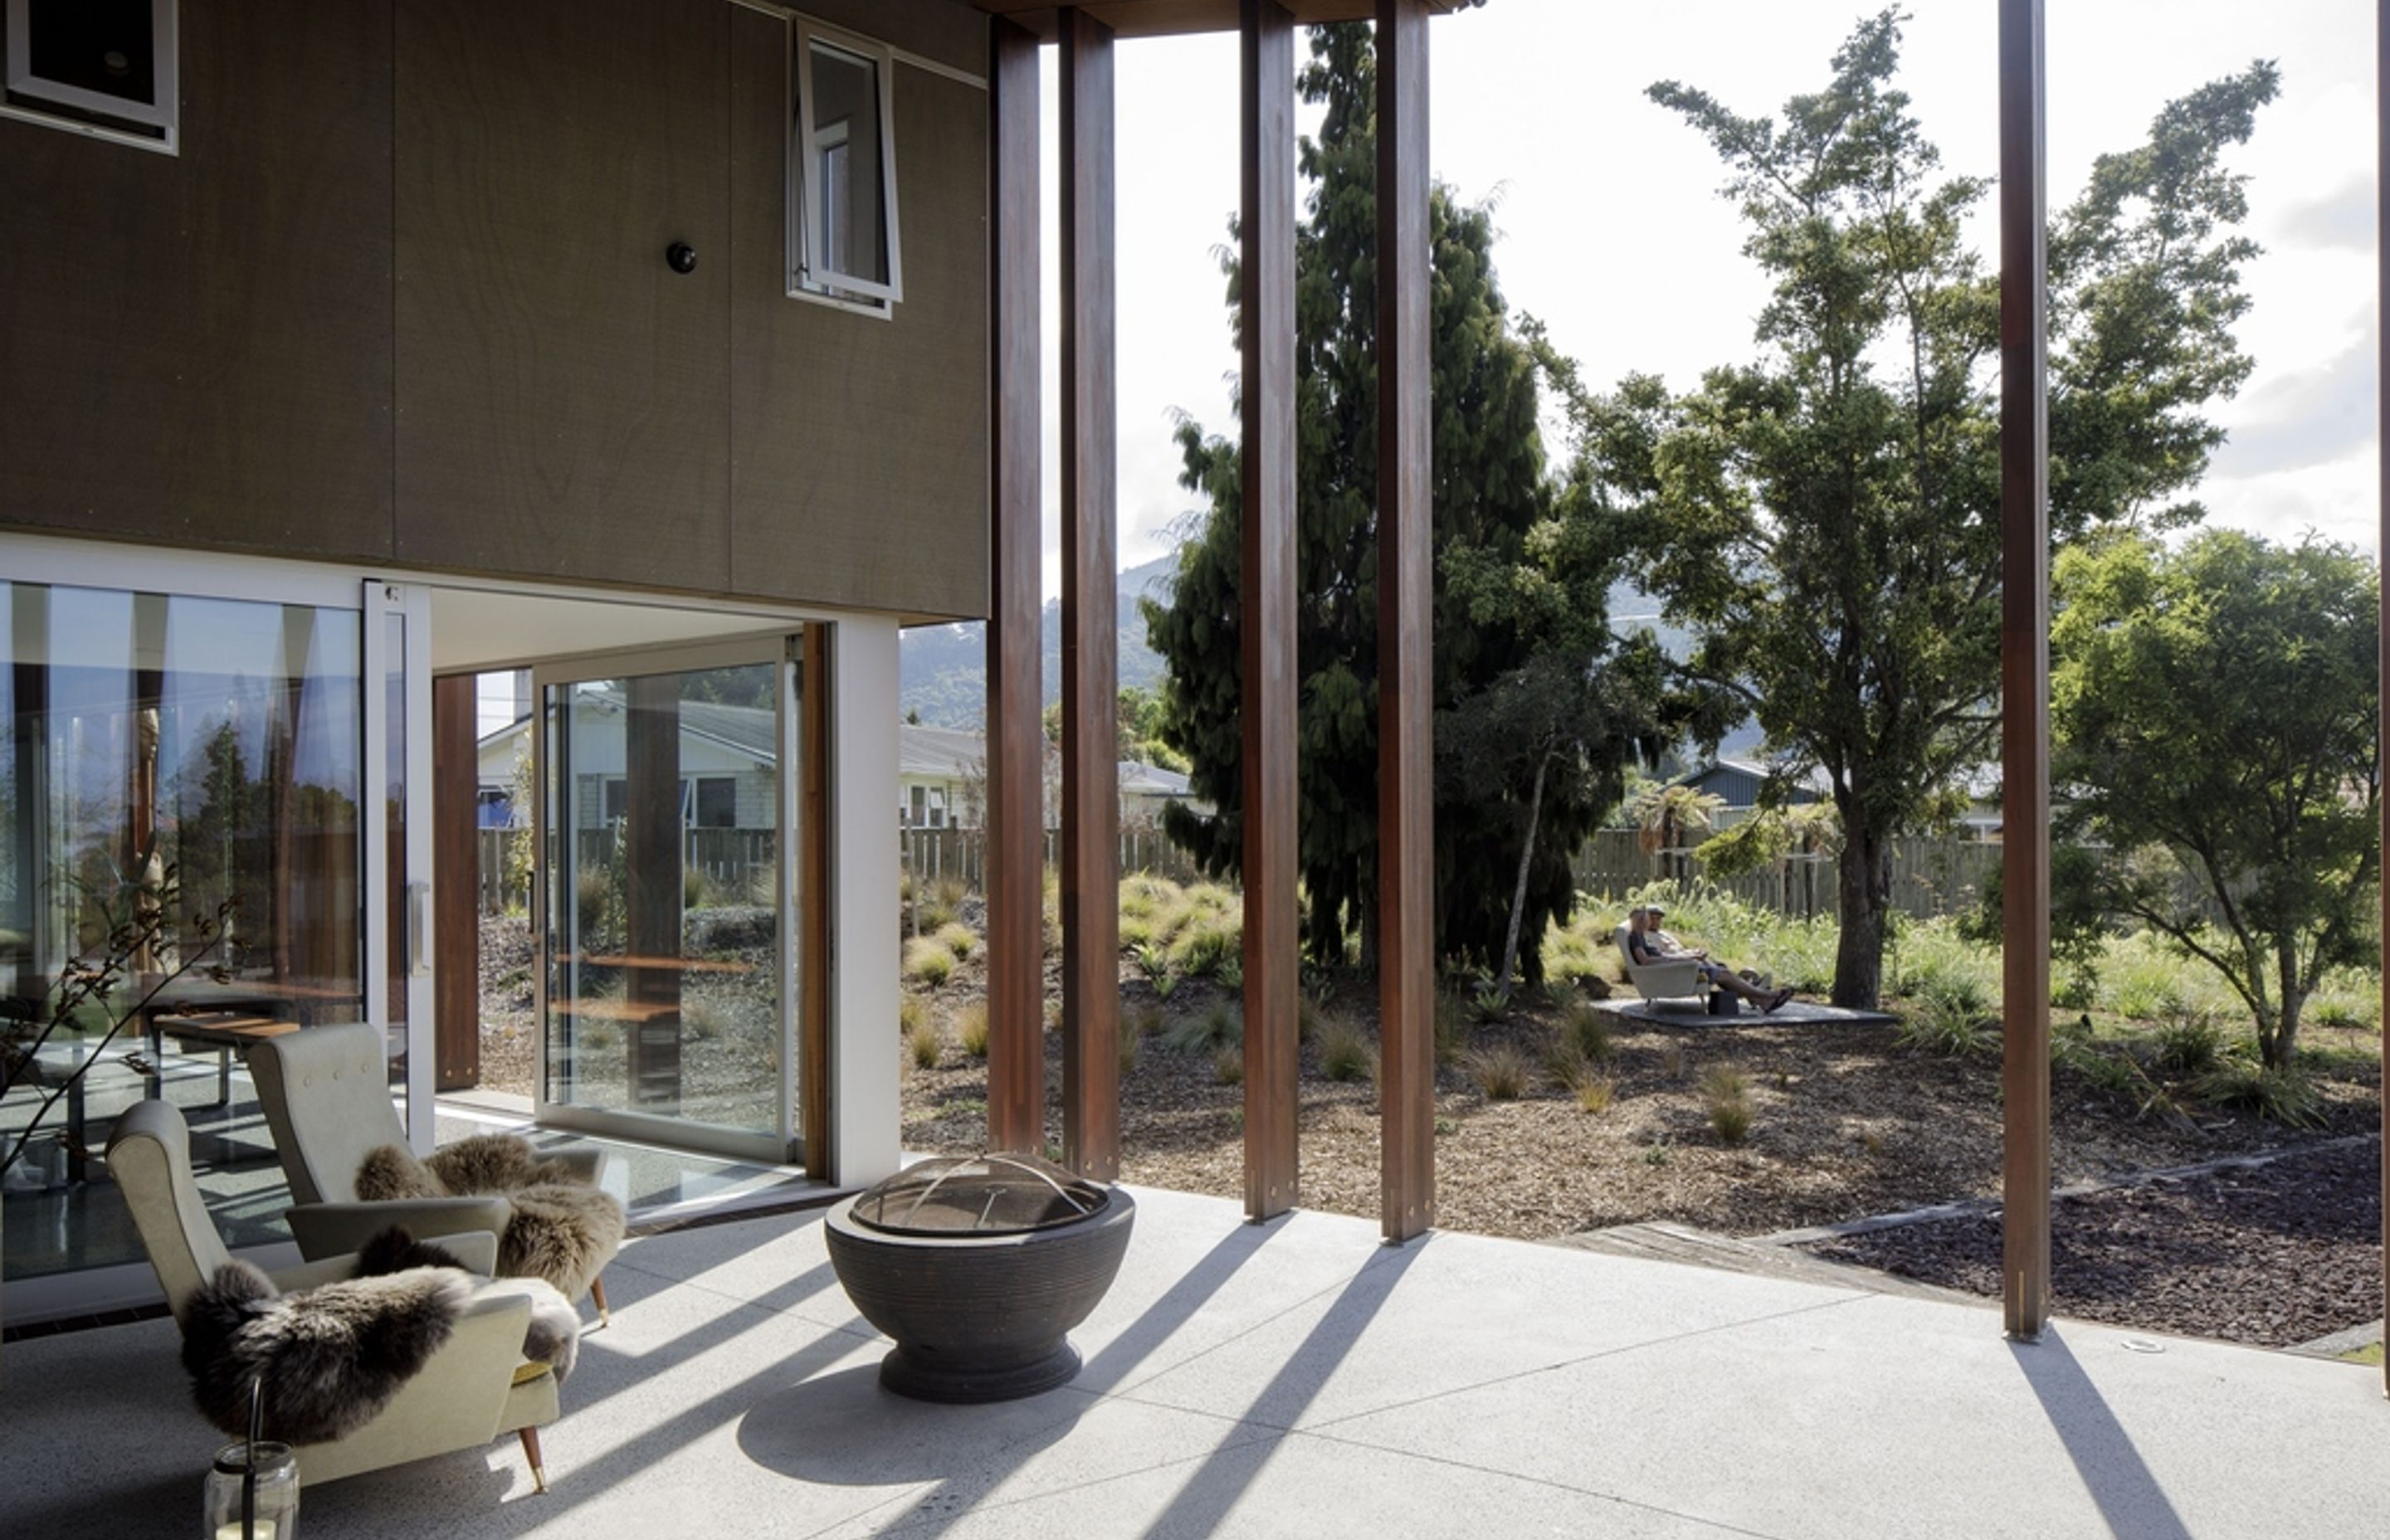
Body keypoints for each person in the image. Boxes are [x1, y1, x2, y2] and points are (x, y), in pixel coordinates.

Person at [1627, 904, 1794, 1013]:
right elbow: (1645, 961)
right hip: (1677, 971)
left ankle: (1759, 997)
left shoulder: (1640, 936)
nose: (1649, 922)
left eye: (1648, 919)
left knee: (1723, 971)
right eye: (1646, 919)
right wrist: (1681, 960)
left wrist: (1688, 955)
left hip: (1679, 968)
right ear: (1638, 921)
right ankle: (1765, 995)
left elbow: (1658, 956)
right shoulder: (1636, 937)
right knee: (1725, 975)